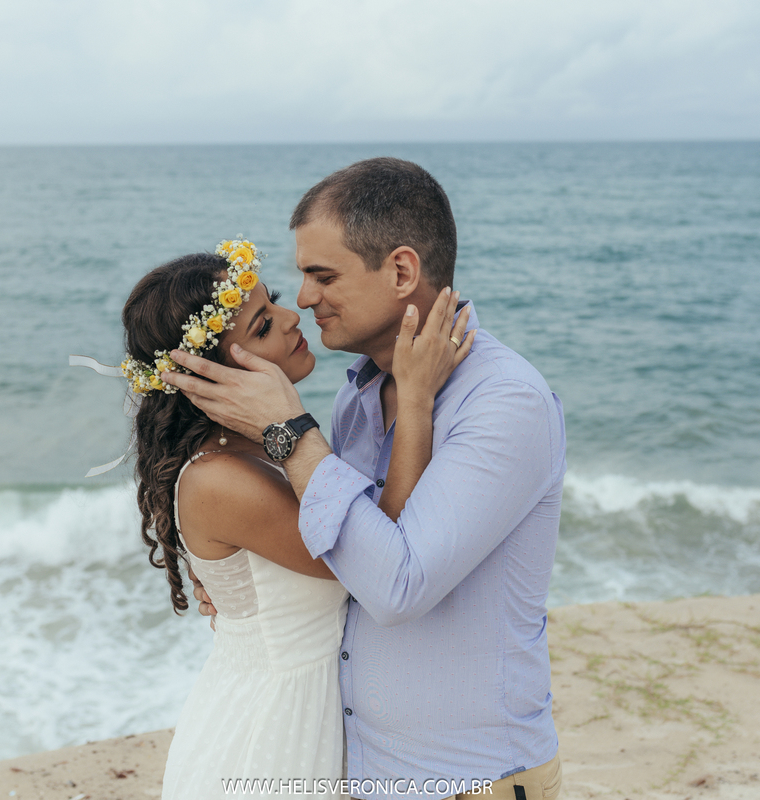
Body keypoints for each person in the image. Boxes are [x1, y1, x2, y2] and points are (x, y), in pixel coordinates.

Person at [162, 158, 567, 800]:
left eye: (322, 275)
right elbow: (350, 544)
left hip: (463, 780)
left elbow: (397, 582)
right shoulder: (356, 396)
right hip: (354, 771)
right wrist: (242, 588)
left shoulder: (504, 402)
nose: (302, 298)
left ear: (401, 271)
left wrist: (289, 434)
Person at [98, 239, 472, 800]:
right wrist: (416, 398)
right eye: (262, 325)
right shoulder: (223, 477)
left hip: (307, 716)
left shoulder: (262, 450)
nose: (292, 315)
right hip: (266, 736)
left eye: (270, 301)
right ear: (217, 371)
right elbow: (383, 549)